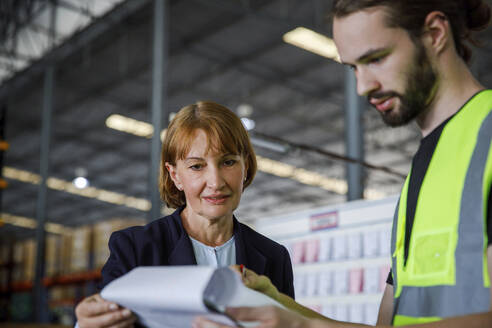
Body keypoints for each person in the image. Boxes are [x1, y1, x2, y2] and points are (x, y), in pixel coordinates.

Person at [194, 0, 492, 327]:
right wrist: (277, 306)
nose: (363, 87)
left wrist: (302, 326)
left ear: (435, 34)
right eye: (353, 67)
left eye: (376, 59)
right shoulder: (425, 166)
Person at [74, 101, 295, 328]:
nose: (216, 182)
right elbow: (105, 319)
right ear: (175, 175)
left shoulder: (274, 257)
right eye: (197, 166)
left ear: (245, 166)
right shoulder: (135, 249)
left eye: (228, 162)